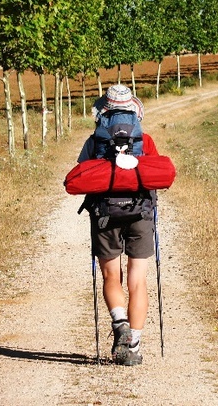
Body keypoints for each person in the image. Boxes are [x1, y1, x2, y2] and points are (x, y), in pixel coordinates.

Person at [77, 84, 159, 366]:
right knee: (138, 279)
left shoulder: (94, 141)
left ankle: (120, 324)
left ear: (103, 111)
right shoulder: (144, 140)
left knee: (112, 277)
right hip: (140, 212)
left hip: (104, 214)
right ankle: (132, 347)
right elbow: (154, 175)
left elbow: (81, 176)